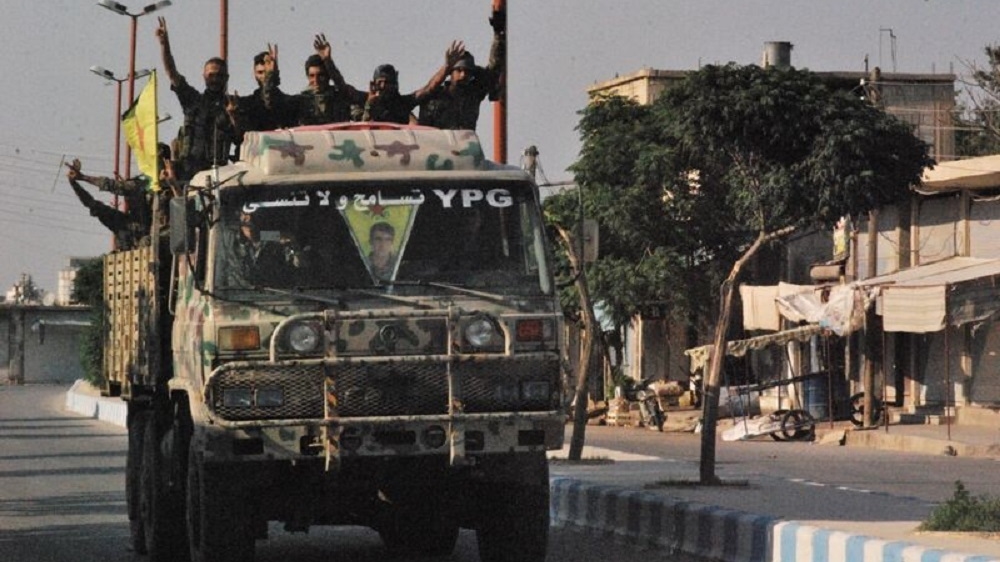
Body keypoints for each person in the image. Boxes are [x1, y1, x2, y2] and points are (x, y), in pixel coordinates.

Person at [156, 17, 237, 181]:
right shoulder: (192, 100)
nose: (215, 79)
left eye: (220, 76)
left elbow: (240, 137)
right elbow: (172, 73)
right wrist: (165, 45)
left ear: (226, 78)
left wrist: (234, 116)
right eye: (211, 75)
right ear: (204, 77)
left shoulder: (233, 105)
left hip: (218, 175)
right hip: (188, 172)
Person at [419, 6, 506, 130]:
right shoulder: (435, 96)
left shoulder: (473, 94)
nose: (463, 75)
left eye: (467, 72)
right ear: (450, 72)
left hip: (464, 148)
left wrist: (499, 35)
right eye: (459, 70)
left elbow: (494, 68)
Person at [356, 41, 467, 124]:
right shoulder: (363, 100)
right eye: (380, 82)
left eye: (388, 82)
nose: (384, 86)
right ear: (373, 84)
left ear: (395, 83)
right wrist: (370, 104)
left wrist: (447, 67)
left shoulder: (402, 103)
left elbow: (429, 88)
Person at [66, 160, 151, 251]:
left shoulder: (150, 183)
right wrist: (74, 183)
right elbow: (92, 203)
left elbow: (116, 186)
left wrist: (83, 177)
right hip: (132, 224)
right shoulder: (146, 180)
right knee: (97, 208)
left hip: (147, 228)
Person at [221, 211, 305, 287]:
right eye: (245, 218)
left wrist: (295, 251)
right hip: (236, 295)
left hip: (272, 295)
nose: (249, 220)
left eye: (253, 219)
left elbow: (290, 241)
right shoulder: (229, 238)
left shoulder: (269, 236)